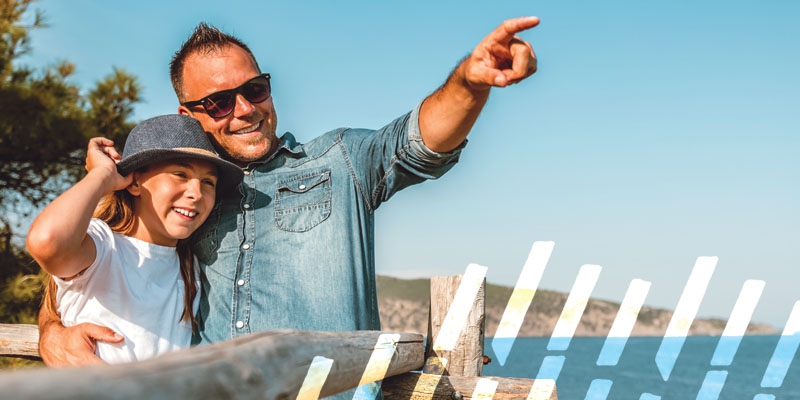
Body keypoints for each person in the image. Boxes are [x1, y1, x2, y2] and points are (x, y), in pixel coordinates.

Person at [38, 15, 537, 372]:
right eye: (218, 101)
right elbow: (91, 270)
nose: (244, 109)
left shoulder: (341, 161)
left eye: (254, 89)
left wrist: (471, 82)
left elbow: (421, 141)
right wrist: (51, 332)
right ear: (189, 117)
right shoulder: (184, 201)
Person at [28, 115, 243, 363]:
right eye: (180, 174)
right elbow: (47, 241)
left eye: (208, 182)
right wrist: (102, 175)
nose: (196, 193)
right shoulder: (103, 244)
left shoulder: (190, 266)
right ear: (135, 182)